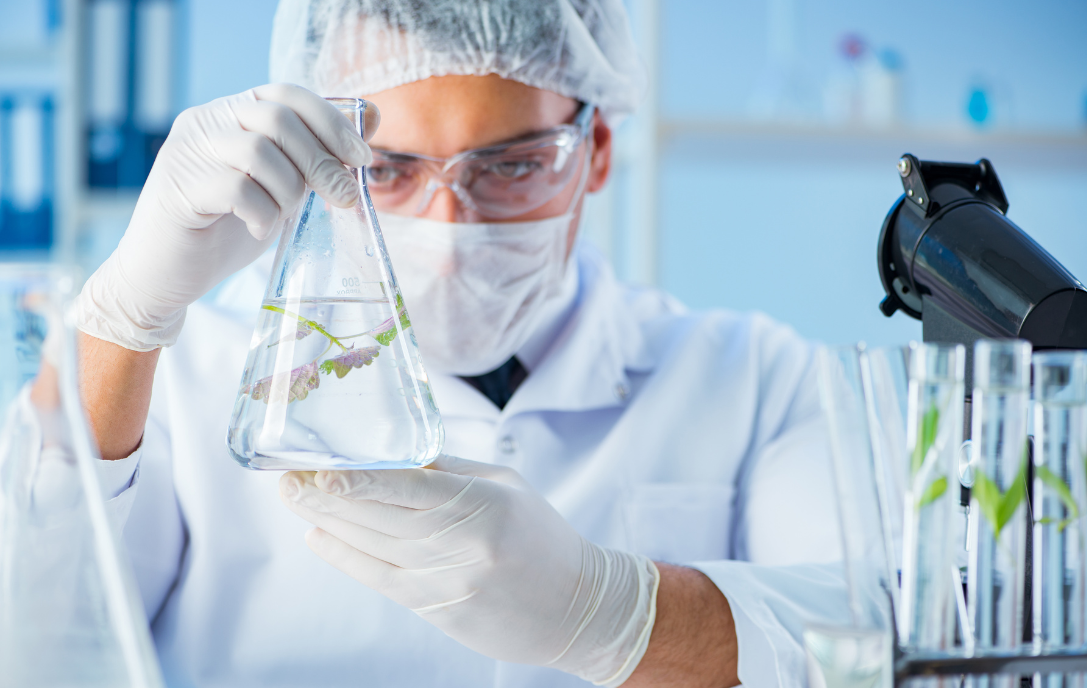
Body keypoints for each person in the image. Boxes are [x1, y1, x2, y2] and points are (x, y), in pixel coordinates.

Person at [74, 1, 851, 686]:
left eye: (512, 166)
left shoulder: (756, 379)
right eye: (383, 170)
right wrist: (119, 325)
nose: (449, 234)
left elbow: (883, 645)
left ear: (598, 150)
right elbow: (33, 637)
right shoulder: (191, 371)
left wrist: (617, 613)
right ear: (313, 157)